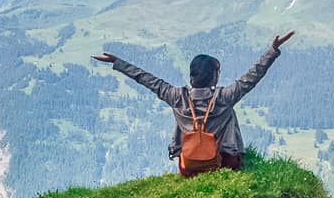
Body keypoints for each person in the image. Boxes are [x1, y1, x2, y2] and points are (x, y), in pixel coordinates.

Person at [92, 32, 294, 175]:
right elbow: (253, 76)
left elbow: (145, 79)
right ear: (214, 77)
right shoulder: (225, 97)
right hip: (225, 164)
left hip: (188, 166)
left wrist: (117, 63)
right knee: (230, 121)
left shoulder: (176, 96)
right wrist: (273, 50)